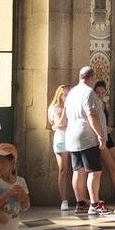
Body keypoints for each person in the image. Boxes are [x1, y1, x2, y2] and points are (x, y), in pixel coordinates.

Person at [60, 66, 105, 216]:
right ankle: (94, 204)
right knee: (94, 170)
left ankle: (80, 204)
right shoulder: (88, 92)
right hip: (86, 136)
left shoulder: (72, 92)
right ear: (91, 77)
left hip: (71, 135)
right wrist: (100, 135)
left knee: (78, 170)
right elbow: (91, 114)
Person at [48, 83, 73, 211]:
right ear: (60, 95)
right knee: (63, 170)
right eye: (65, 94)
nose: (67, 97)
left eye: (69, 94)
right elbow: (60, 124)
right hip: (62, 140)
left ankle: (82, 198)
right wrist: (64, 110)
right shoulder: (55, 107)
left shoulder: (74, 106)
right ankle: (64, 200)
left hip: (74, 139)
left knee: (78, 169)